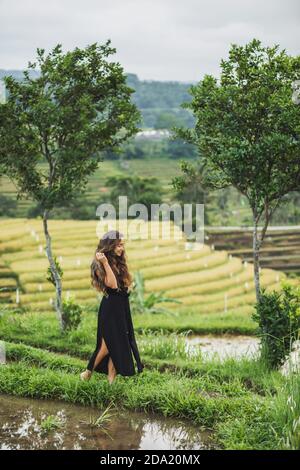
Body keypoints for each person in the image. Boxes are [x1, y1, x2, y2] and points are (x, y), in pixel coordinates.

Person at [80, 230, 144, 385]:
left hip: (122, 306)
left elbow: (124, 284)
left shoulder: (118, 261)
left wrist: (128, 287)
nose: (121, 248)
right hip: (110, 307)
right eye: (119, 245)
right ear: (110, 245)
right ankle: (87, 372)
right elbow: (112, 285)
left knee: (119, 343)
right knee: (107, 345)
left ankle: (111, 382)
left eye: (122, 245)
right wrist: (105, 263)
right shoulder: (99, 264)